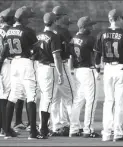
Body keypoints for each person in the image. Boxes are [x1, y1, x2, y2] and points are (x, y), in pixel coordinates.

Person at [0, 6, 45, 139]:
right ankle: (33, 133)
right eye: (28, 18)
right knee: (31, 95)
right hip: (26, 63)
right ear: (22, 18)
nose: (29, 20)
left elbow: (5, 50)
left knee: (13, 95)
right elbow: (36, 51)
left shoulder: (9, 31)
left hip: (14, 64)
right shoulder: (28, 31)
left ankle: (6, 131)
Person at [94, 9, 123, 142]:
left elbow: (96, 55)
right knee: (119, 102)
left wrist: (98, 69)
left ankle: (106, 133)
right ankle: (118, 133)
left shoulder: (101, 33)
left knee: (108, 102)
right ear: (117, 19)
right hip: (120, 68)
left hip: (107, 69)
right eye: (121, 18)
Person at [69, 16, 100, 138]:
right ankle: (88, 129)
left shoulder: (73, 39)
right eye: (90, 25)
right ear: (84, 27)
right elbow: (97, 55)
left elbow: (70, 56)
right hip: (88, 71)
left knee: (78, 101)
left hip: (77, 71)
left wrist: (72, 71)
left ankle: (74, 129)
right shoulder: (89, 39)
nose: (92, 27)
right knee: (91, 101)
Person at [36, 12, 64, 139]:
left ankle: (42, 126)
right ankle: (43, 129)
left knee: (43, 98)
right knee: (48, 98)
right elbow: (56, 57)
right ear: (54, 22)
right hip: (49, 68)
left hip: (40, 67)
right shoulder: (53, 36)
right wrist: (61, 74)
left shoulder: (38, 36)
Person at [50, 5, 75, 136]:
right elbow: (72, 49)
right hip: (61, 65)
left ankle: (56, 126)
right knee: (70, 96)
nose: (67, 17)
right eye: (65, 15)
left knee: (55, 99)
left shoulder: (48, 30)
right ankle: (74, 127)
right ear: (60, 17)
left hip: (49, 67)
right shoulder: (64, 32)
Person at [0, 8, 15, 136]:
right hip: (7, 64)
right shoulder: (9, 31)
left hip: (1, 64)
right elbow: (5, 50)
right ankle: (6, 128)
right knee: (7, 96)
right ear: (9, 19)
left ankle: (1, 127)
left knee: (2, 97)